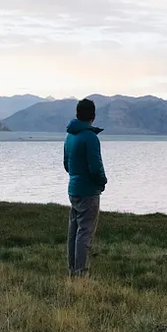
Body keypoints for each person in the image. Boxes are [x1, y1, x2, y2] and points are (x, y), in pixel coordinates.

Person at [63, 98, 106, 277]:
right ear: (93, 116)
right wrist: (102, 181)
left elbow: (67, 165)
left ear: (77, 114)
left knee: (74, 231)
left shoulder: (70, 136)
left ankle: (72, 269)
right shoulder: (90, 137)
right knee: (85, 232)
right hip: (88, 191)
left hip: (73, 189)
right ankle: (81, 272)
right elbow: (96, 168)